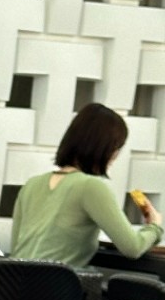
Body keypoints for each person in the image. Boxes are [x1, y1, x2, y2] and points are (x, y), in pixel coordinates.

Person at [10, 103, 163, 266]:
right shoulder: (91, 187)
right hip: (56, 281)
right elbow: (133, 247)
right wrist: (154, 226)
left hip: (15, 279)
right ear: (104, 148)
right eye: (116, 147)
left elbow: (16, 248)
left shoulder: (31, 184)